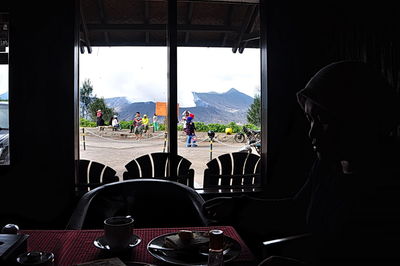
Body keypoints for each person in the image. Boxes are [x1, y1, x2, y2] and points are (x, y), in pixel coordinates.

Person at [203, 61, 400, 265]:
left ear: (358, 118)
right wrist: (240, 205)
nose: (311, 132)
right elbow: (297, 209)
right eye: (309, 119)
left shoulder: (390, 187)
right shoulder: (328, 166)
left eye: (322, 119)